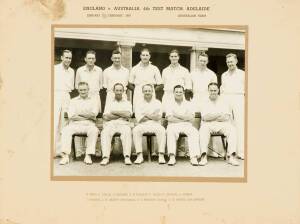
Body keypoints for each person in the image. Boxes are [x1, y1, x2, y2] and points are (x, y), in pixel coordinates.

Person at [198, 82, 239, 166]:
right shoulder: (203, 101)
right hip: (208, 124)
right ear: (208, 91)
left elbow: (226, 117)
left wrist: (212, 115)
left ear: (218, 90)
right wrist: (218, 114)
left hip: (222, 124)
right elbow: (205, 118)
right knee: (203, 129)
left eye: (215, 90)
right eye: (211, 90)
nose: (213, 92)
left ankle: (231, 156)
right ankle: (203, 156)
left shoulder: (224, 100)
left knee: (232, 129)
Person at [59, 82, 99, 165]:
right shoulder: (73, 101)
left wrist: (79, 113)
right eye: (81, 90)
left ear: (88, 90)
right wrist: (86, 114)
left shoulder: (94, 100)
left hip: (89, 124)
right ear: (78, 90)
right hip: (75, 124)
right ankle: (65, 156)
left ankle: (88, 155)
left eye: (84, 90)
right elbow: (71, 116)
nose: (83, 92)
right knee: (66, 130)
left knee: (94, 131)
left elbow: (93, 115)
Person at [75, 50, 102, 155]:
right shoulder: (80, 70)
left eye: (93, 58)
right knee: (82, 122)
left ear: (95, 59)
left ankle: (96, 149)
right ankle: (81, 150)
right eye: (89, 58)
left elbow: (101, 85)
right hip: (82, 98)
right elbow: (77, 85)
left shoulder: (99, 70)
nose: (91, 60)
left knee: (96, 123)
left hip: (95, 97)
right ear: (85, 59)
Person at [165, 85, 200, 166]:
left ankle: (193, 157)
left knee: (194, 132)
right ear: (173, 93)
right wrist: (184, 117)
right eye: (176, 92)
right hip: (173, 125)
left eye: (180, 92)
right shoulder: (169, 103)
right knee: (170, 131)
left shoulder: (189, 104)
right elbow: (169, 118)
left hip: (187, 125)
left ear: (183, 92)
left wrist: (176, 115)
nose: (178, 93)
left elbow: (191, 118)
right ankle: (172, 156)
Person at [133, 84, 166, 164]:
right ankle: (139, 155)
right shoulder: (138, 103)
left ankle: (161, 155)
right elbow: (140, 119)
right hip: (143, 124)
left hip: (155, 124)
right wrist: (152, 115)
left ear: (152, 92)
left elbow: (158, 117)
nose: (147, 92)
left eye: (149, 91)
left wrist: (146, 114)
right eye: (145, 91)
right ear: (142, 92)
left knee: (162, 130)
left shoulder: (157, 102)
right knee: (136, 130)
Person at [100, 83, 133, 165]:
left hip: (123, 124)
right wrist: (121, 114)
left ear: (123, 91)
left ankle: (127, 157)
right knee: (105, 133)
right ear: (114, 91)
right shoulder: (109, 103)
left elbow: (128, 115)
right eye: (117, 90)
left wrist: (114, 112)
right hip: (111, 124)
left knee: (127, 132)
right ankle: (105, 157)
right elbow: (106, 117)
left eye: (120, 90)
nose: (118, 92)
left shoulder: (127, 103)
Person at [220, 53, 245, 160]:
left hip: (239, 98)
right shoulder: (224, 75)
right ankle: (230, 151)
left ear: (236, 61)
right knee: (228, 125)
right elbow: (222, 90)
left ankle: (241, 152)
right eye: (228, 62)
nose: (230, 64)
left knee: (240, 124)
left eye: (232, 61)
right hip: (226, 99)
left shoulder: (242, 74)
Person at [54, 49, 75, 157]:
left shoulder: (72, 71)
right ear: (61, 57)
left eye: (70, 58)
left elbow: (71, 86)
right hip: (56, 95)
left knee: (64, 123)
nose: (68, 60)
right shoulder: (55, 69)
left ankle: (62, 151)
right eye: (66, 57)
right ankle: (52, 150)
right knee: (54, 122)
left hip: (66, 96)